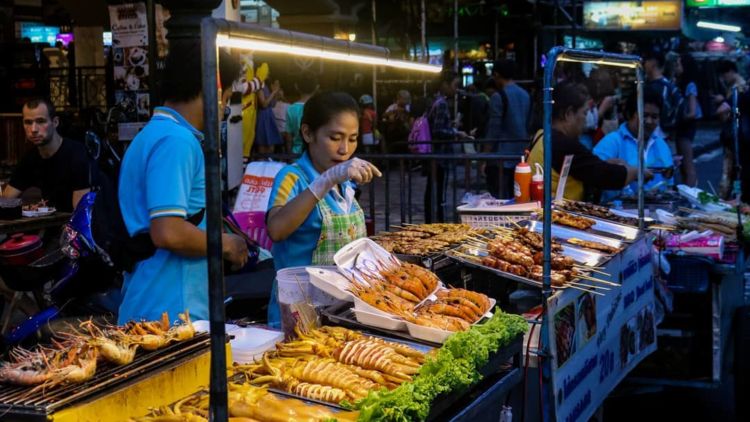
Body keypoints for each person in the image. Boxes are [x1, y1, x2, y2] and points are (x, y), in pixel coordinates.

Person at [116, 42, 249, 324]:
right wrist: (227, 244)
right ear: (212, 90)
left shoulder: (154, 135)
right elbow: (168, 232)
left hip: (157, 304)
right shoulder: (176, 141)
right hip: (169, 312)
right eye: (225, 98)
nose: (224, 108)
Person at [266, 92, 381, 326]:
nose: (344, 149)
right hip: (298, 313)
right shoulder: (292, 177)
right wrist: (324, 181)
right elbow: (276, 229)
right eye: (335, 137)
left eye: (352, 138)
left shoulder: (345, 182)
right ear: (308, 133)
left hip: (341, 311)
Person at [527, 81, 643, 201]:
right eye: (584, 113)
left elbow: (584, 168)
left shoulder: (541, 135)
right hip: (559, 215)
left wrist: (604, 164)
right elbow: (605, 176)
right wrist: (636, 172)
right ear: (568, 114)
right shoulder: (563, 144)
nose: (586, 120)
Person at [2, 98, 97, 213]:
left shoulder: (76, 154)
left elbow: (81, 214)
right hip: (52, 223)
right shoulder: (30, 158)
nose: (33, 129)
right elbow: (6, 200)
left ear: (55, 122)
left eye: (41, 121)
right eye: (28, 122)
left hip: (87, 226)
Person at [594, 89, 672, 202]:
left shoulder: (662, 145)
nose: (649, 121)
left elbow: (668, 184)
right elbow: (593, 176)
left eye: (654, 117)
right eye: (644, 115)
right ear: (630, 114)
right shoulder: (612, 142)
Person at [425, 71, 472, 223]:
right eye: (455, 85)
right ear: (445, 84)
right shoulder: (442, 103)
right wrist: (456, 133)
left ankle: (432, 221)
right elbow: (438, 130)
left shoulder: (434, 101)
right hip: (440, 155)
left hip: (434, 155)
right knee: (438, 192)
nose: (456, 89)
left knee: (433, 190)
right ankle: (436, 222)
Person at [484, 60, 531, 198]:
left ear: (497, 75)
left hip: (500, 158)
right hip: (521, 156)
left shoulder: (498, 97)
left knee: (499, 199)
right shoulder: (526, 95)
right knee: (517, 197)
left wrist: (485, 155)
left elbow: (493, 130)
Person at [713, 60, 748, 198]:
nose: (722, 79)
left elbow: (722, 110)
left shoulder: (739, 88)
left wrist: (722, 103)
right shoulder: (739, 87)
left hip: (737, 140)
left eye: (723, 75)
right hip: (738, 139)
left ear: (731, 71)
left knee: (731, 174)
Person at [673, 54, 702, 187]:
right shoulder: (680, 83)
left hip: (686, 126)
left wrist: (678, 118)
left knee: (687, 163)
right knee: (683, 163)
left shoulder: (690, 85)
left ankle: (691, 193)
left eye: (679, 64)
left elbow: (692, 111)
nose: (676, 67)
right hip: (684, 126)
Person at [644, 51, 683, 140]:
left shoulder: (659, 87)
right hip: (662, 133)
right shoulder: (667, 85)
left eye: (646, 61)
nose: (644, 64)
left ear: (653, 63)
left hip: (656, 133)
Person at [283, 72, 318, 154]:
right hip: (314, 155)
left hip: (296, 155)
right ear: (317, 87)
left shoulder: (291, 109)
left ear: (296, 87)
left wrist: (289, 156)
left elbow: (288, 137)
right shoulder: (319, 108)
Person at [254, 64, 283, 154]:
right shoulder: (260, 88)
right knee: (262, 145)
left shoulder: (267, 87)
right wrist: (274, 92)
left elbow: (272, 104)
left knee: (271, 145)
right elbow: (264, 104)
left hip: (270, 116)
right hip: (263, 117)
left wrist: (277, 95)